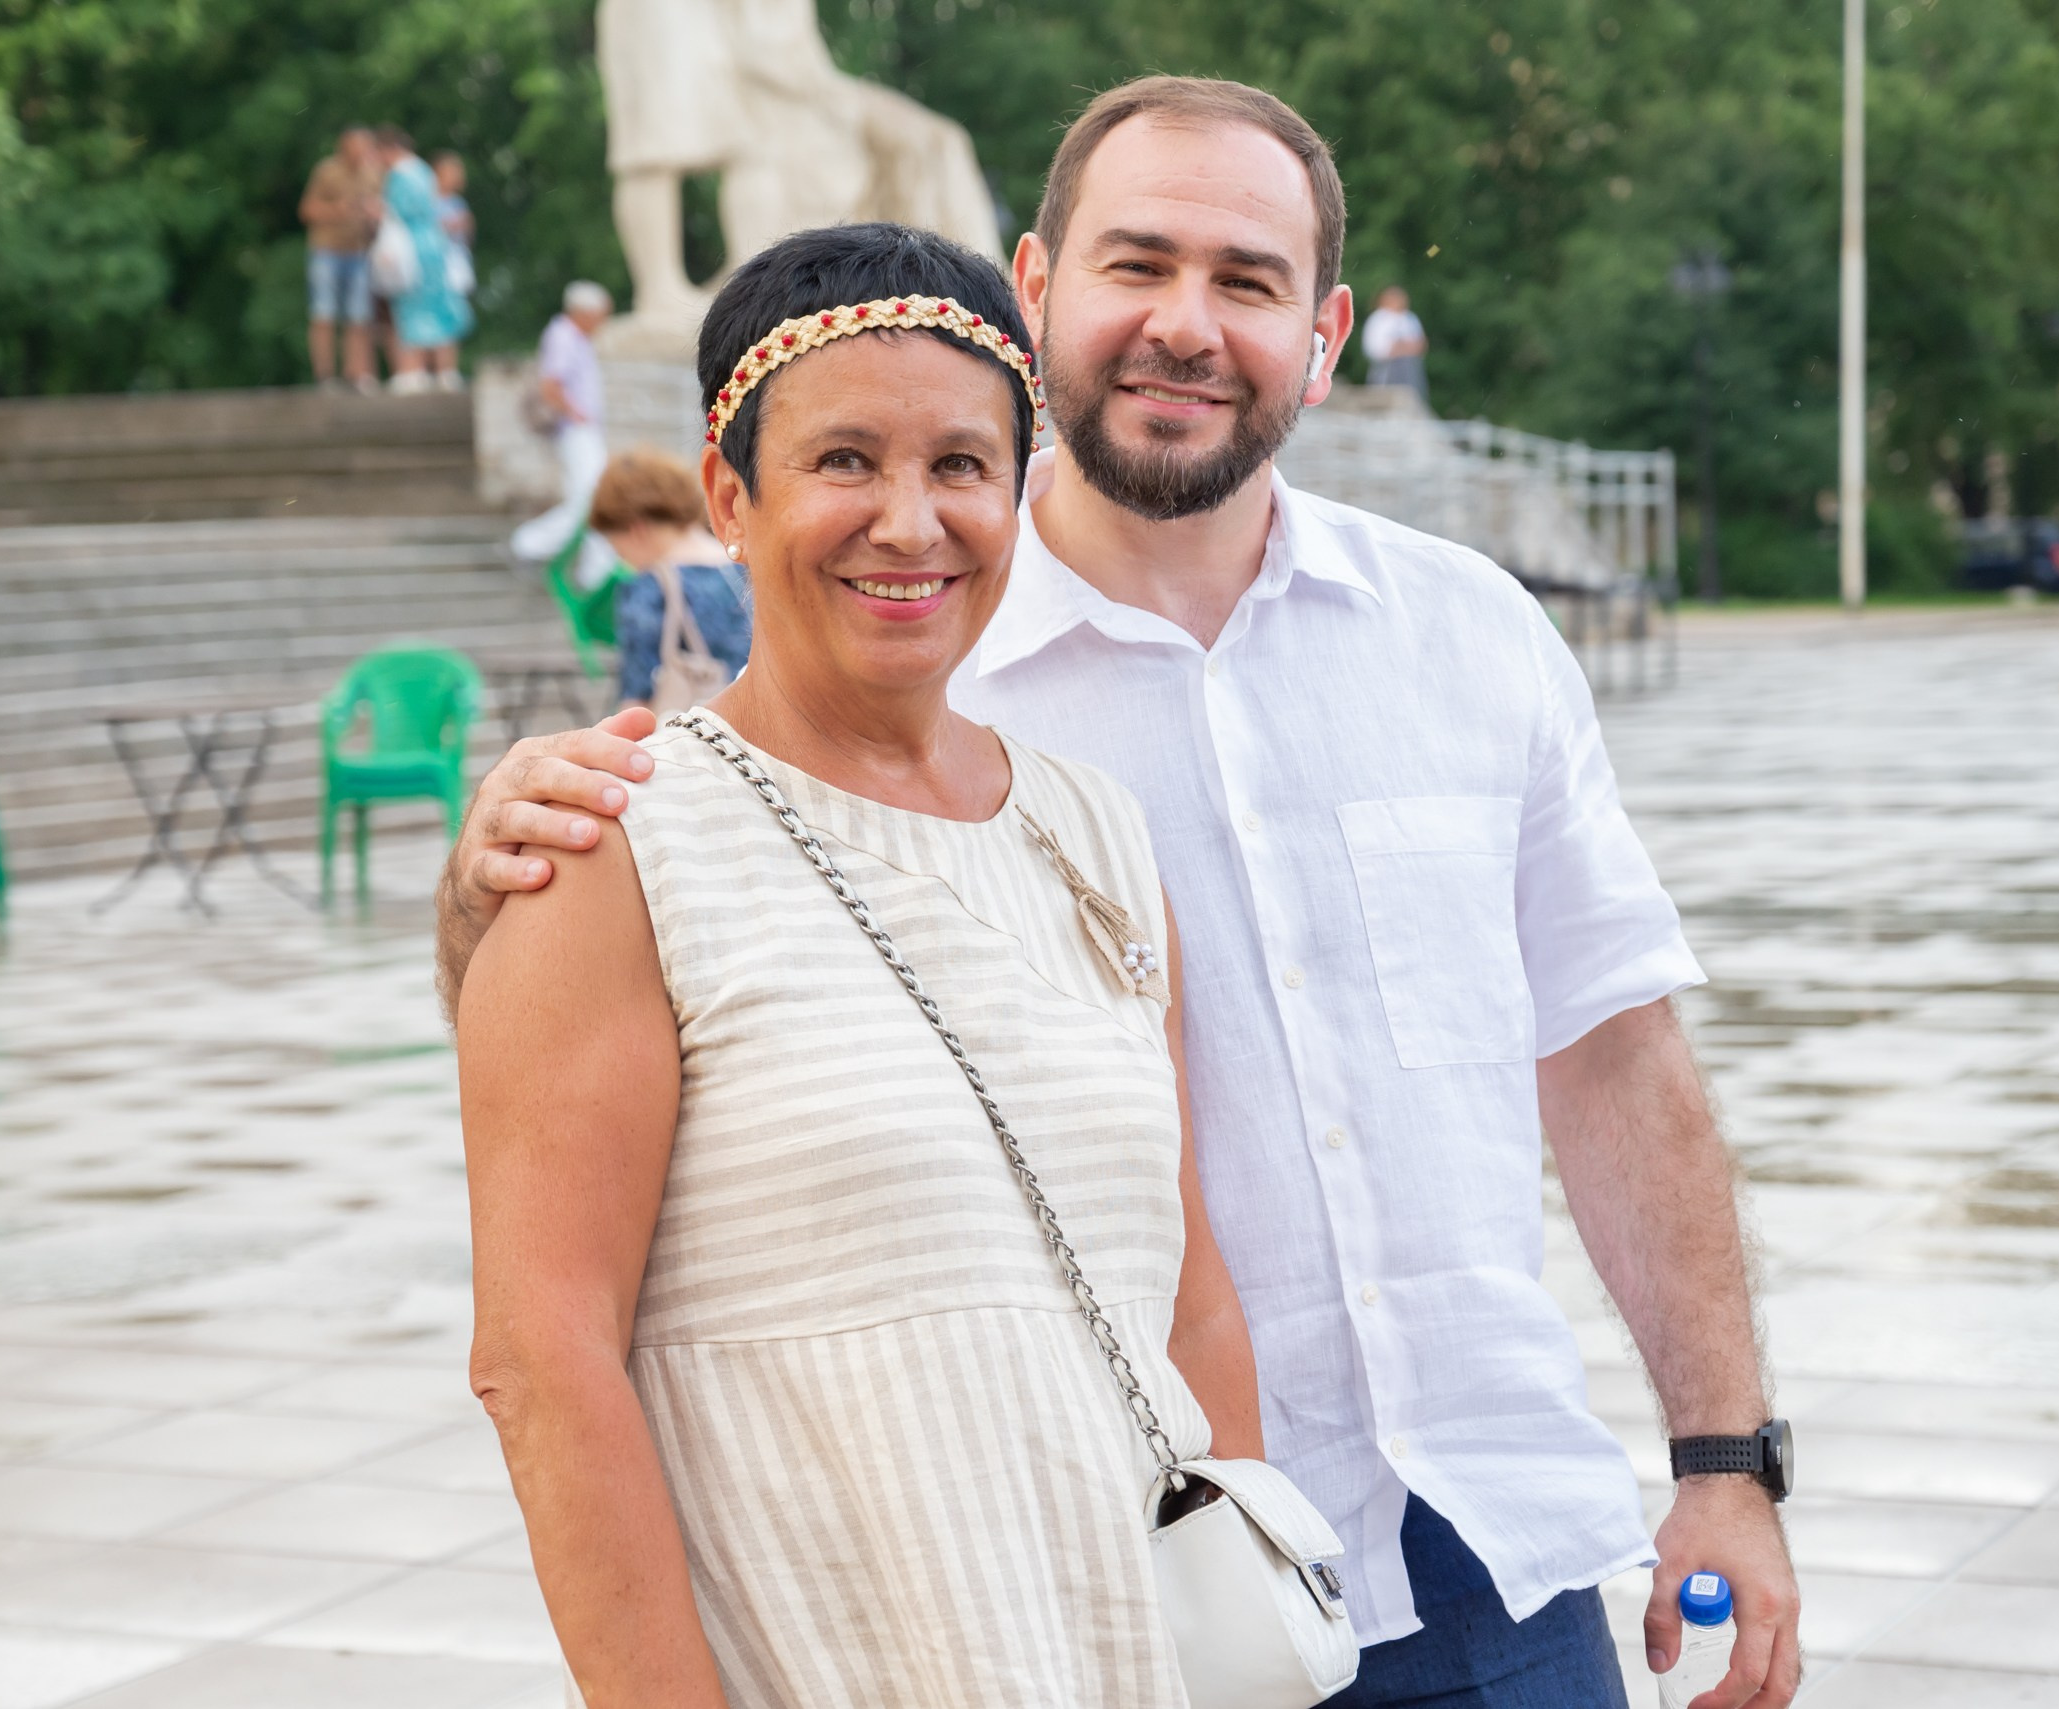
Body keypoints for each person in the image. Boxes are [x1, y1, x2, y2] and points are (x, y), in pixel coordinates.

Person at [439, 77, 1802, 1709]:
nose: (1185, 322)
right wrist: (482, 891)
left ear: (1325, 328)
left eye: (1247, 279)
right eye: (1136, 262)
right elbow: (597, 1109)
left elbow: (1611, 1054)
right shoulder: (914, 660)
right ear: (1035, 281)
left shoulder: (1468, 634)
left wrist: (1727, 1452)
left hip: (1488, 1548)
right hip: (1067, 1584)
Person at [457, 220, 1266, 1707]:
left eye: (961, 465)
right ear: (728, 496)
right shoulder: (614, 847)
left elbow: (1191, 1290)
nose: (910, 521)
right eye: (844, 462)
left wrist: (1259, 1618)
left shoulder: (1094, 830)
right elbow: (543, 1361)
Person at [581, 447, 753, 707]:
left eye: (617, 547)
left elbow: (637, 695)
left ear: (636, 530)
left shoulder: (647, 588)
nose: (622, 560)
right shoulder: (746, 564)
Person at [510, 283, 614, 563]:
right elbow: (551, 384)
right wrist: (576, 414)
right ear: (584, 312)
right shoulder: (564, 336)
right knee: (593, 497)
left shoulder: (576, 338)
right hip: (574, 428)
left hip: (580, 427)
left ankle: (589, 563)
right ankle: (529, 544)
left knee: (586, 498)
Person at [372, 126, 473, 393]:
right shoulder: (424, 172)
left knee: (411, 309)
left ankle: (412, 370)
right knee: (438, 306)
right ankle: (444, 371)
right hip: (434, 245)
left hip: (411, 248)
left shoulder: (400, 175)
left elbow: (399, 216)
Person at [298, 126, 382, 392]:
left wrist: (373, 217)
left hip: (358, 252)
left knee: (358, 318)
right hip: (326, 252)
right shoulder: (327, 171)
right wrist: (339, 210)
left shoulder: (373, 175)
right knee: (324, 314)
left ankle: (354, 374)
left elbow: (380, 216)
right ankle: (324, 376)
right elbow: (307, 210)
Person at [1360, 284, 1429, 400]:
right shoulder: (1378, 319)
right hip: (1386, 370)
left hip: (1411, 370)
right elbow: (1374, 349)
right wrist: (1399, 348)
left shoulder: (1410, 318)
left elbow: (1421, 345)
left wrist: (1402, 347)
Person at [434, 150, 478, 303]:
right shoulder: (429, 200)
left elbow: (468, 238)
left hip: (457, 259)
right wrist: (448, 225)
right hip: (436, 262)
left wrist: (468, 225)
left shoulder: (458, 202)